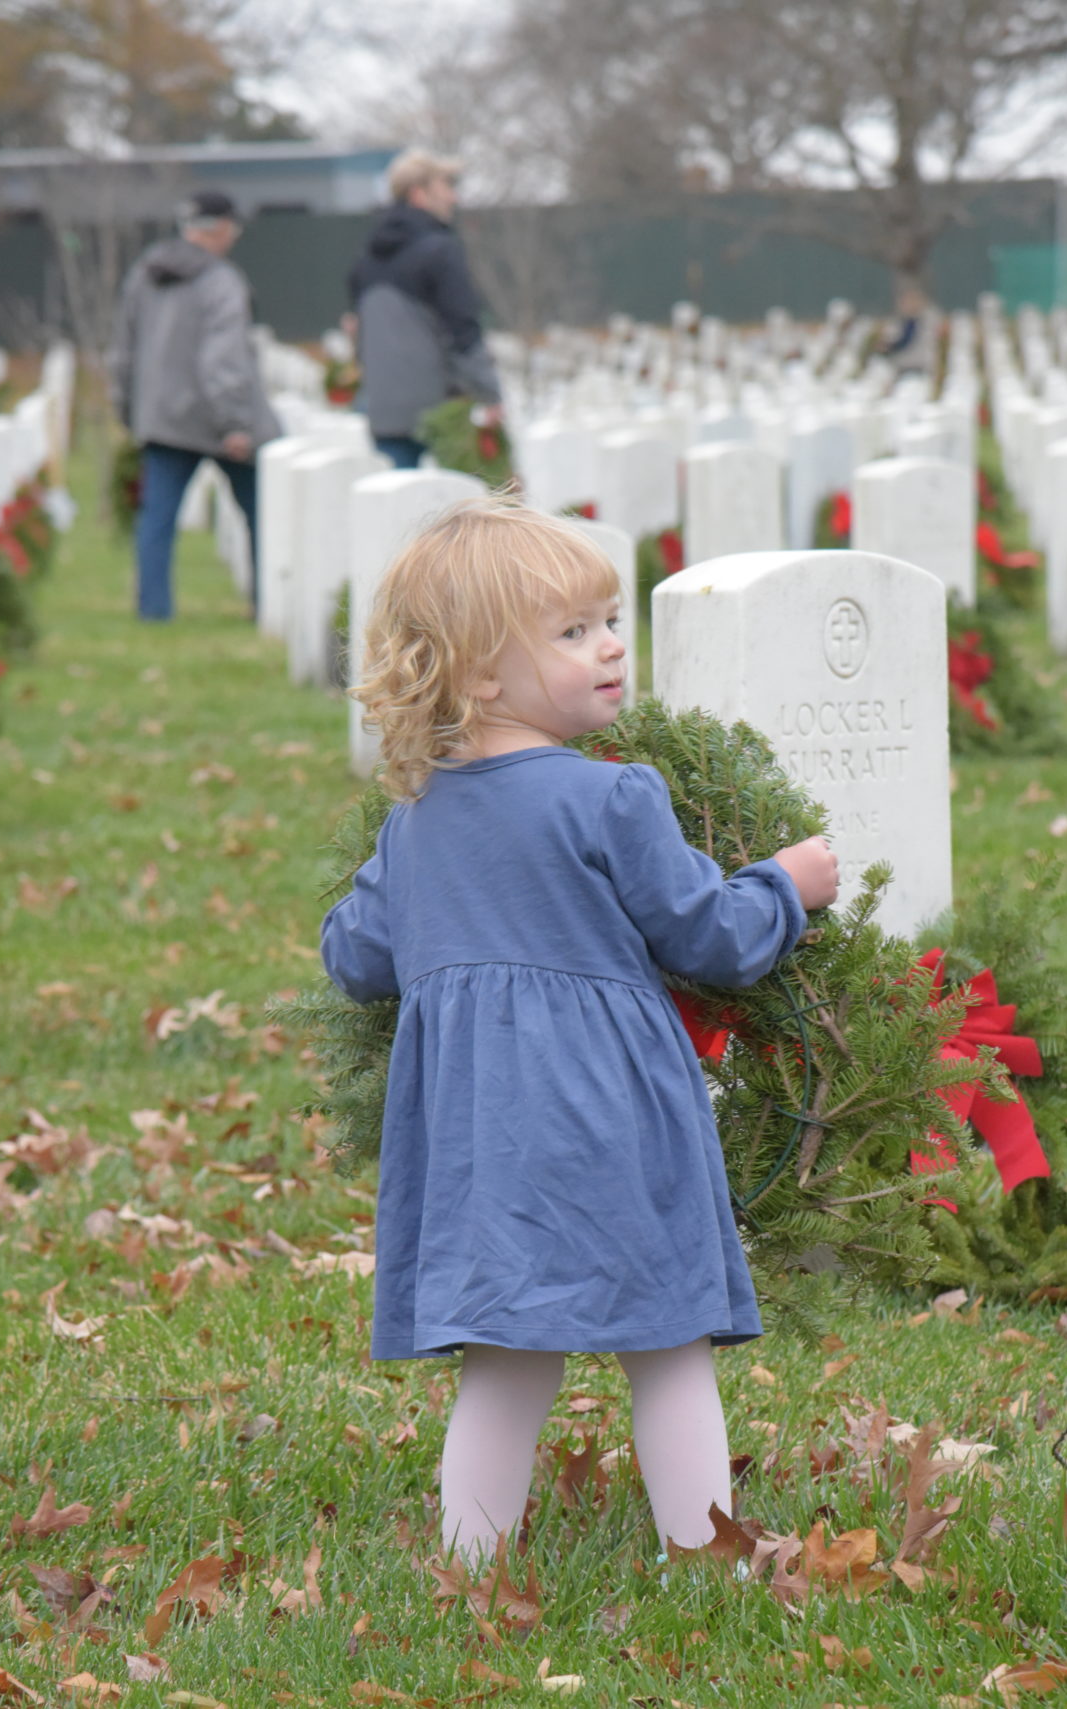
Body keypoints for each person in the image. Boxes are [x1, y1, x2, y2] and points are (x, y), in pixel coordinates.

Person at [321, 498, 837, 1562]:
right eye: (571, 631)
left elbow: (354, 958)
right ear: (476, 675)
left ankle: (470, 1566)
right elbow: (714, 937)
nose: (609, 645)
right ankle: (704, 1556)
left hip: (480, 1136)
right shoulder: (613, 800)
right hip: (614, 1115)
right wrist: (786, 883)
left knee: (507, 1352)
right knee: (668, 1341)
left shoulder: (416, 819)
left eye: (608, 620)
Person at [108, 188, 281, 622]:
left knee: (158, 519)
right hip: (220, 421)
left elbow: (122, 350)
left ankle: (153, 611)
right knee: (262, 511)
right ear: (221, 228)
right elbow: (224, 358)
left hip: (162, 418)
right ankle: (269, 604)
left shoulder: (144, 274)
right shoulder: (221, 280)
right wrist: (235, 423)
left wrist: (128, 410)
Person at [347, 149, 503, 470]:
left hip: (382, 409)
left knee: (399, 512)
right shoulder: (440, 251)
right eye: (446, 187)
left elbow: (358, 335)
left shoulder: (366, 260)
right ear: (419, 194)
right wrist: (491, 395)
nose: (454, 198)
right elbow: (463, 330)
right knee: (457, 512)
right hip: (439, 412)